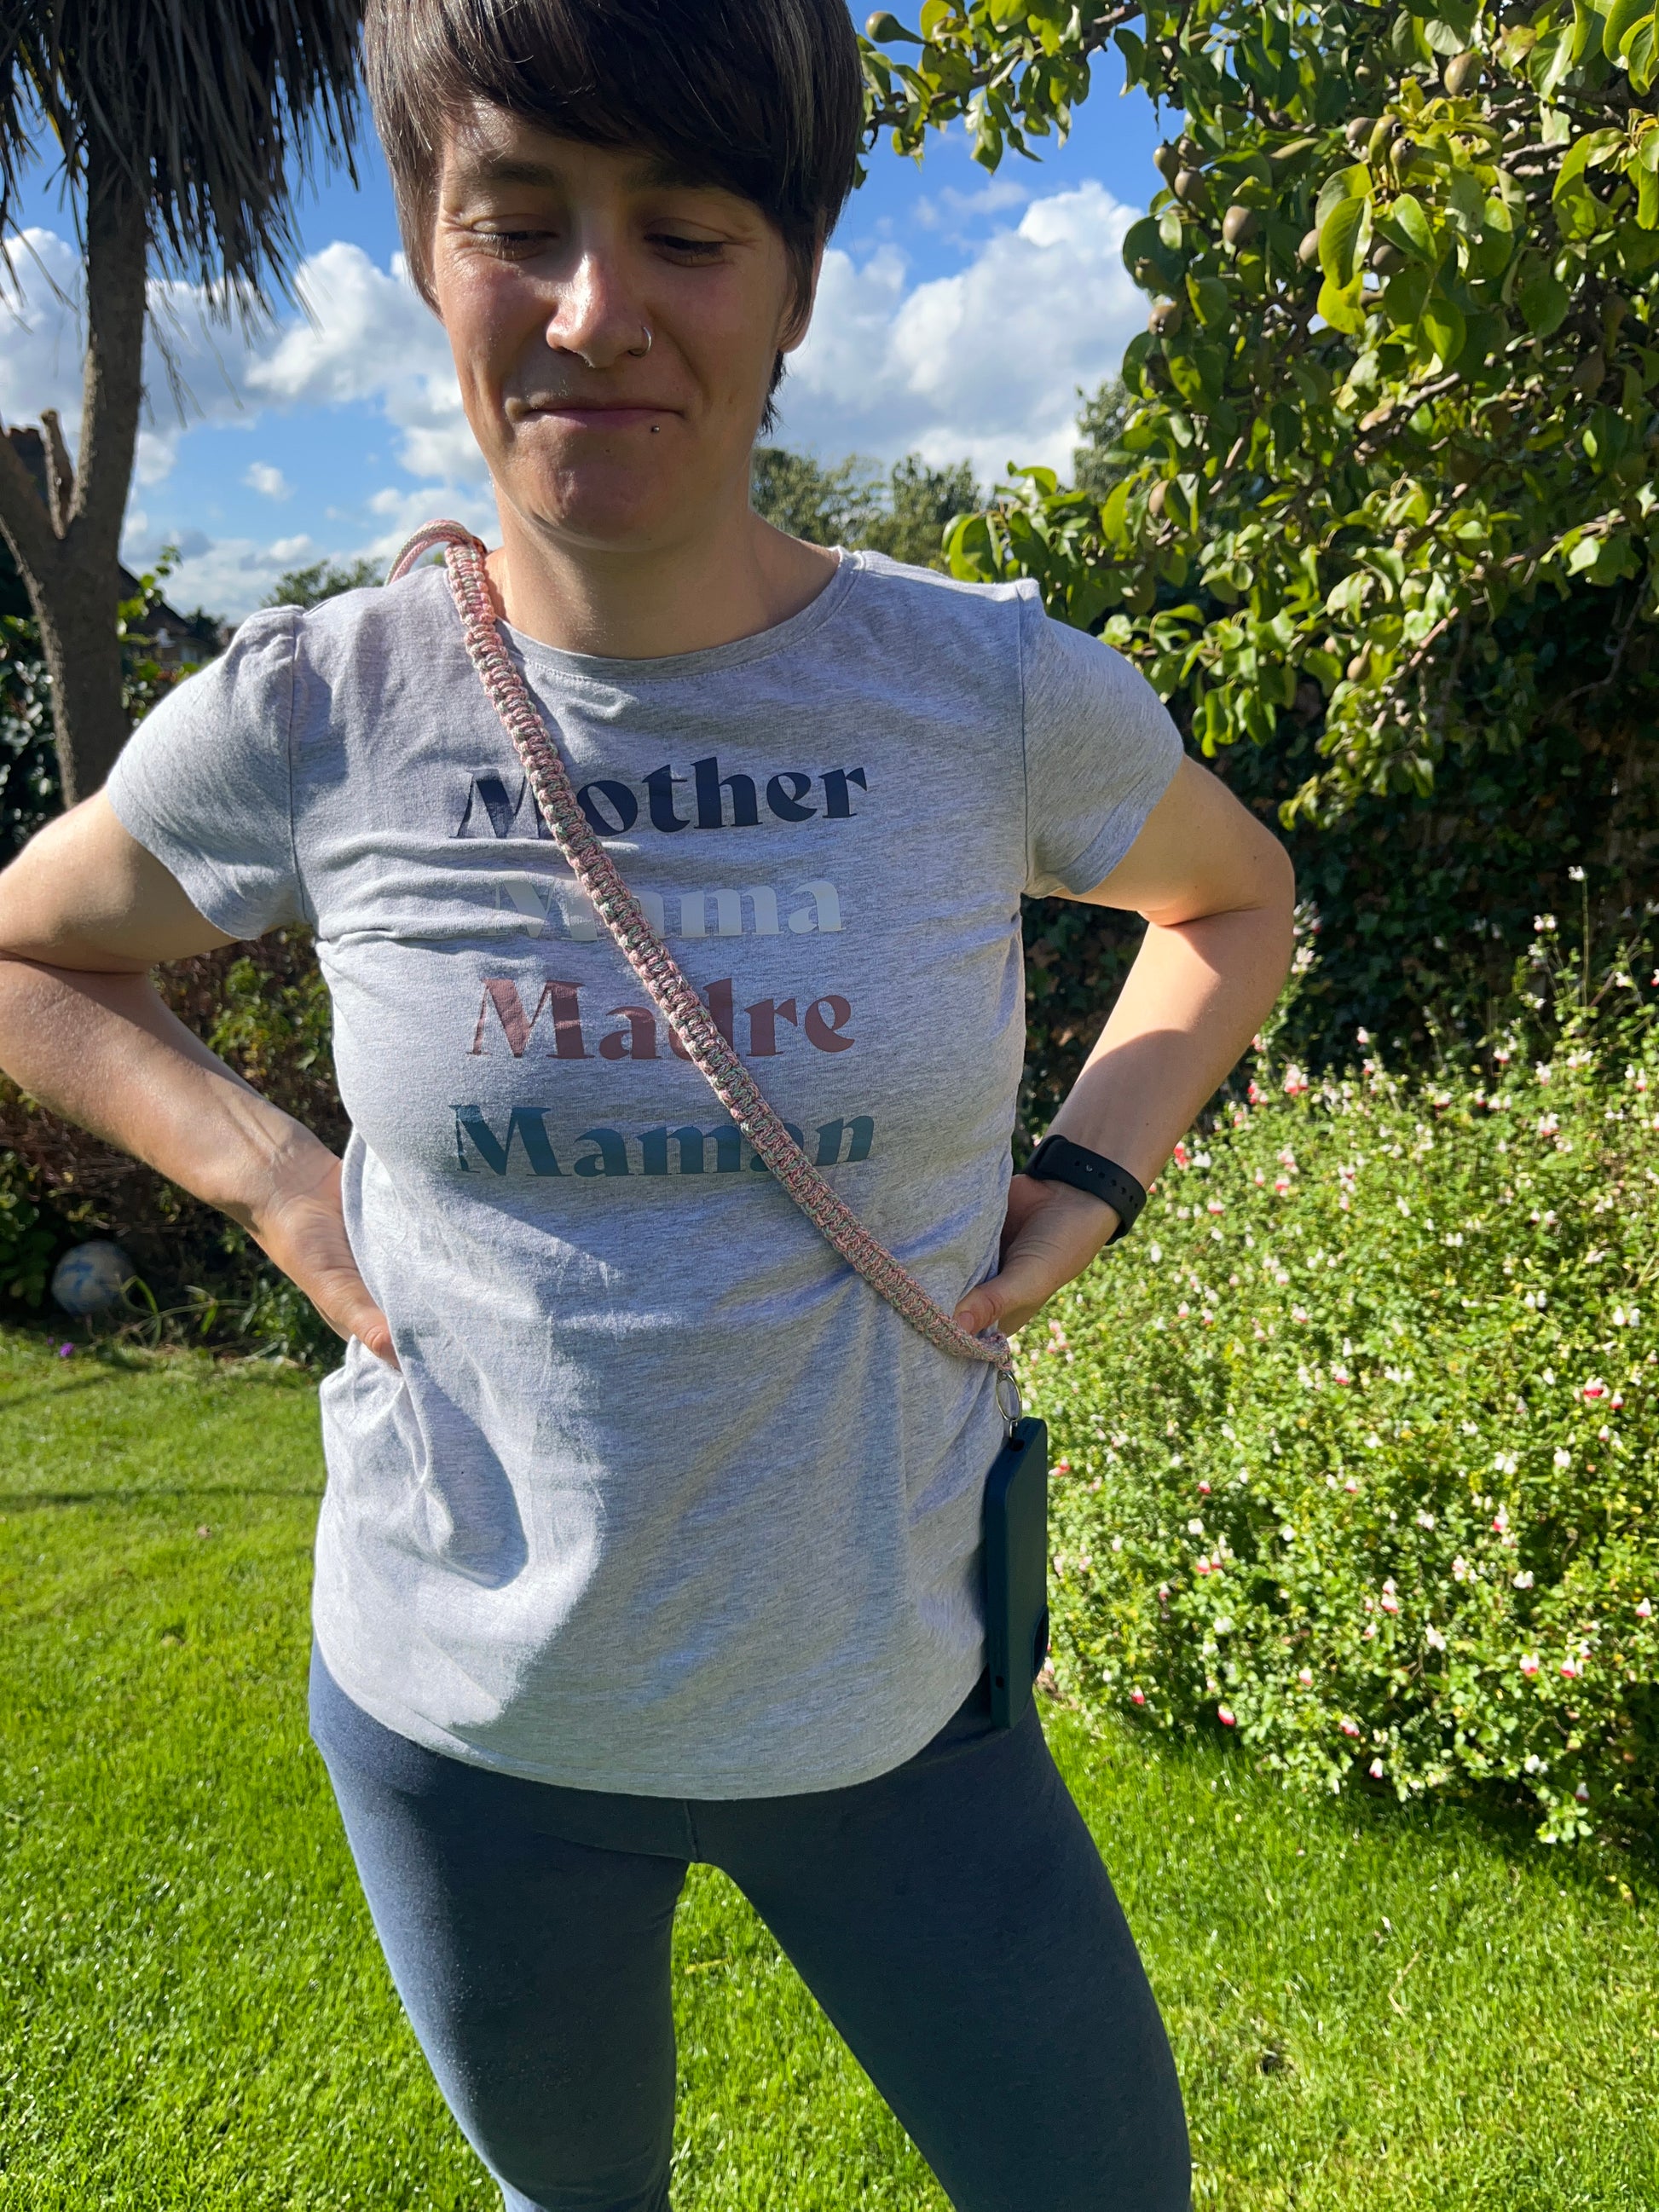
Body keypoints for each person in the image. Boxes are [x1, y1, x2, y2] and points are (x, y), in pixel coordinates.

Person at [0, 2, 1294, 2205]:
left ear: (790, 284)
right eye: (522, 221)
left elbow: (1233, 903)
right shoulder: (317, 707)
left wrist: (1089, 1170)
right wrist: (282, 1182)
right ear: (428, 245)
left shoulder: (976, 689)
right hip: (464, 1730)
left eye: (685, 231)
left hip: (895, 1708)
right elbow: (30, 946)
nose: (594, 305)